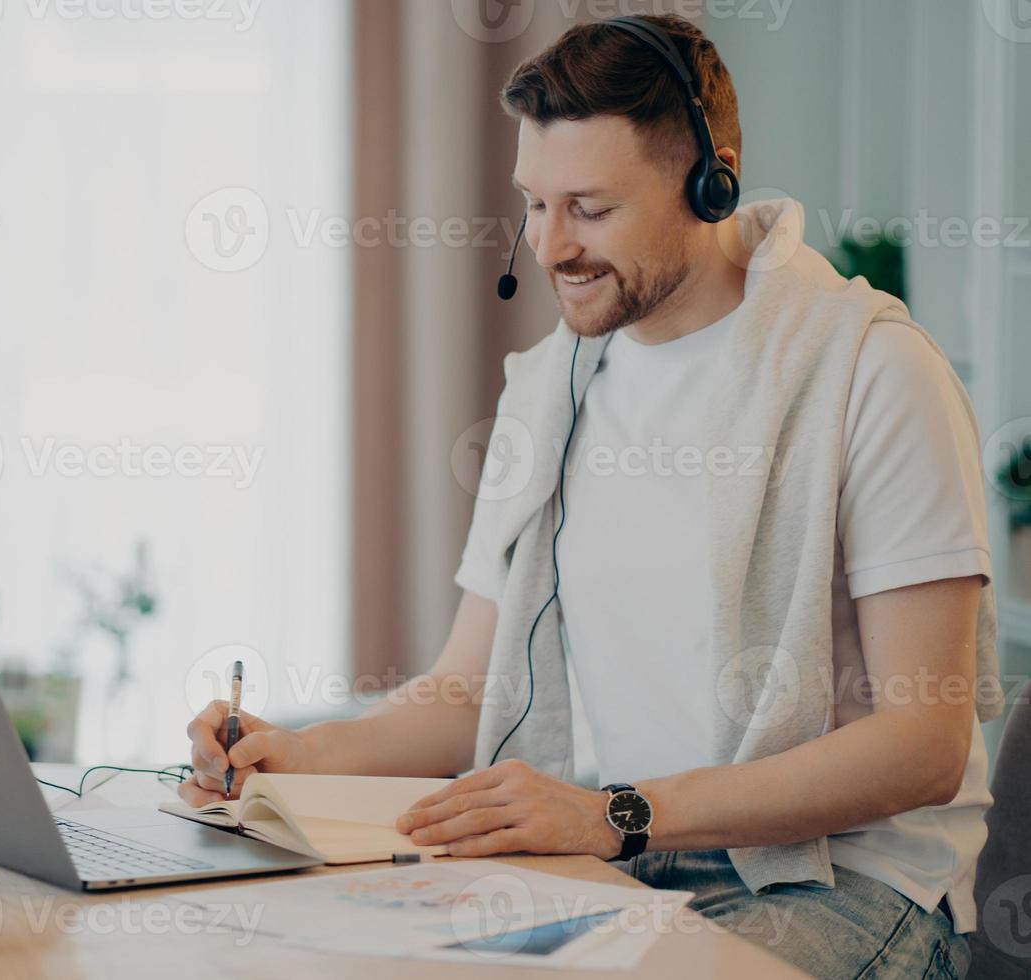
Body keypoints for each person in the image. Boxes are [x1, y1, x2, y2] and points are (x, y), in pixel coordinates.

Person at [180, 14, 1000, 978]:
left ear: (712, 180)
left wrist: (616, 815)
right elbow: (466, 692)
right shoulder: (547, 389)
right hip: (622, 856)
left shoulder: (871, 371)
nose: (551, 246)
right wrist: (296, 756)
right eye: (534, 204)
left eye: (592, 209)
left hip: (841, 887)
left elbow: (923, 741)